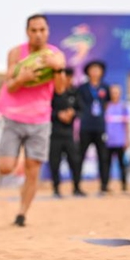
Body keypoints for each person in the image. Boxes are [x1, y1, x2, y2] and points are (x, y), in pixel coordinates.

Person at [0, 14, 66, 226]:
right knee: (5, 168)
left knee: (32, 171)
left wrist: (57, 68)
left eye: (42, 30)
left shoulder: (56, 55)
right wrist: (22, 78)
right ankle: (20, 181)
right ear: (27, 32)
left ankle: (22, 214)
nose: (38, 34)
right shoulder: (16, 53)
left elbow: (61, 89)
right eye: (33, 30)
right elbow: (10, 85)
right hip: (13, 116)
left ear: (48, 31)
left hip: (40, 120)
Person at [76, 60, 110, 193]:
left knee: (103, 157)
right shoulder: (82, 88)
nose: (95, 71)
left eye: (98, 69)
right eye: (92, 69)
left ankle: (104, 185)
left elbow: (106, 104)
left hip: (100, 126)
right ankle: (77, 185)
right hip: (85, 127)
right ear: (88, 72)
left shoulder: (105, 87)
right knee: (80, 156)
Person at [48, 67, 82, 197]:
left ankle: (76, 187)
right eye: (64, 77)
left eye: (69, 77)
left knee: (74, 160)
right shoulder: (52, 93)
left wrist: (72, 113)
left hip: (69, 134)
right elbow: (45, 111)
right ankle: (56, 188)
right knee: (54, 162)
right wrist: (58, 115)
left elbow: (81, 110)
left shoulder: (74, 93)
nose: (67, 80)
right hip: (54, 134)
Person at [105, 84, 130, 191]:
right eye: (113, 93)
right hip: (109, 141)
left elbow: (127, 124)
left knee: (122, 165)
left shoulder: (123, 107)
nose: (114, 95)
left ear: (120, 94)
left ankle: (124, 185)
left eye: (116, 93)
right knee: (107, 165)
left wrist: (127, 139)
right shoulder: (106, 106)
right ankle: (106, 185)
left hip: (120, 140)